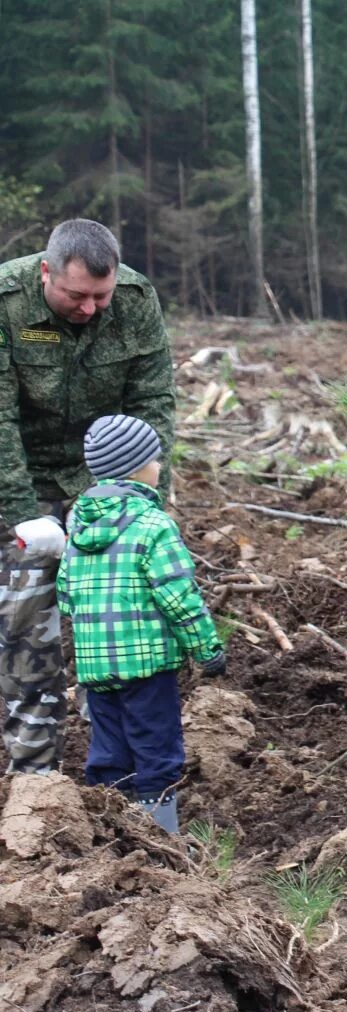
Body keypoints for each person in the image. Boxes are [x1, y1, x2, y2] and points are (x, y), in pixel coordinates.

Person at [0, 219, 176, 776]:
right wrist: (25, 514)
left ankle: (120, 770)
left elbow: (152, 404)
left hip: (104, 478)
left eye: (100, 296)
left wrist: (140, 503)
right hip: (21, 475)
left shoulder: (133, 297)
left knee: (122, 626)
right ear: (46, 271)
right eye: (76, 295)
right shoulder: (6, 301)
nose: (90, 309)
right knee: (28, 630)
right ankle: (35, 776)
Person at [56, 415, 225, 832]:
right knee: (157, 750)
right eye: (155, 458)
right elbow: (178, 596)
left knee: (109, 751)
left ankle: (111, 832)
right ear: (137, 467)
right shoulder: (153, 525)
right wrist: (207, 650)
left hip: (96, 667)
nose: (159, 465)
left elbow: (65, 593)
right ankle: (162, 839)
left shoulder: (78, 524)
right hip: (147, 667)